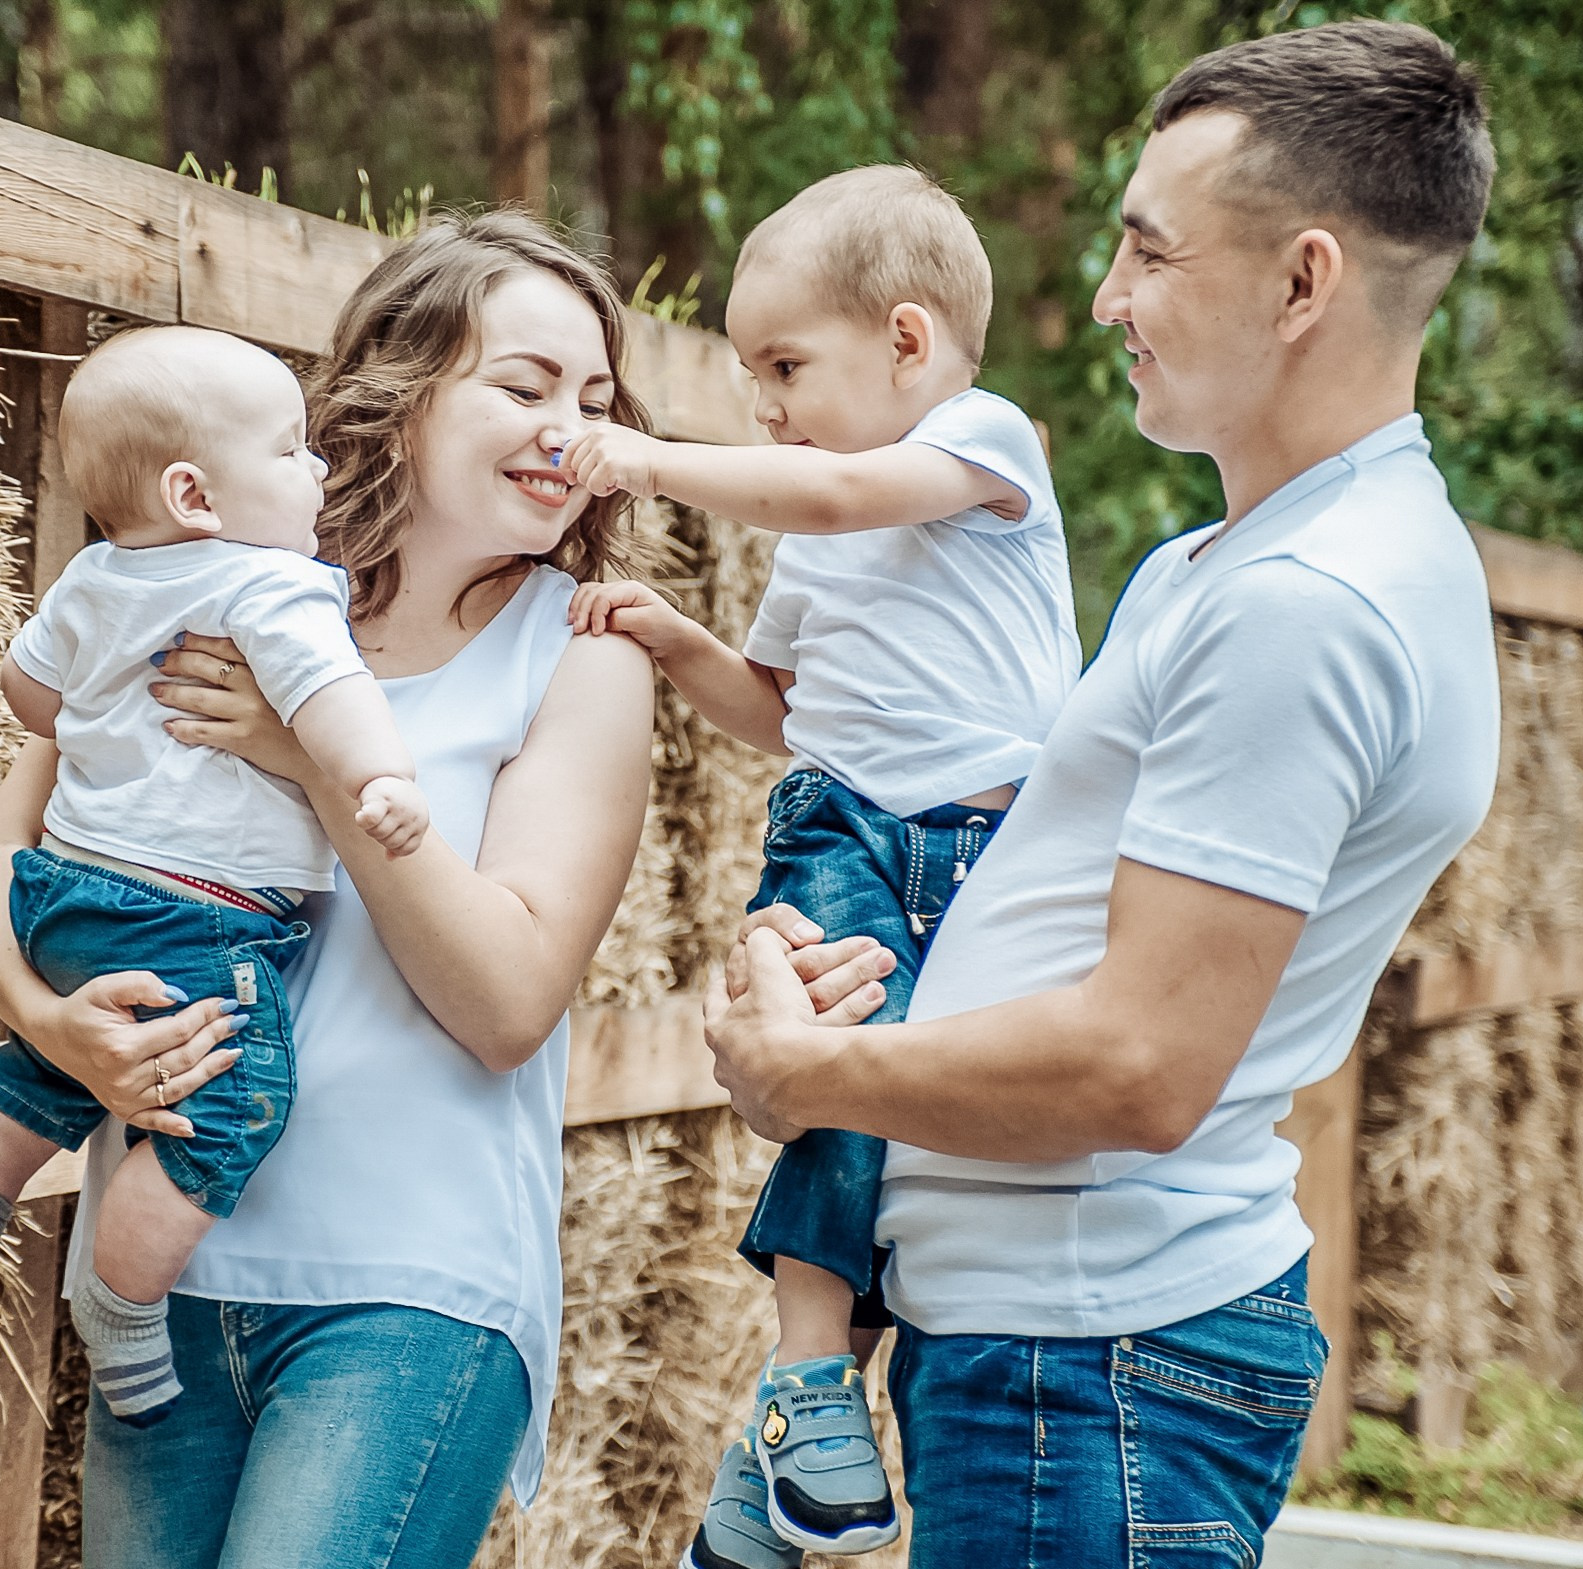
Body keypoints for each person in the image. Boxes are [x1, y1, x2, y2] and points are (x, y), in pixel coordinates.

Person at [701, 20, 1501, 1567]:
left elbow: (1140, 1062)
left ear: (1302, 283)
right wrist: (835, 969)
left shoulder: (1305, 606)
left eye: (1147, 251)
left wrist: (808, 1074)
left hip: (1085, 1369)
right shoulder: (1228, 566)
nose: (1103, 298)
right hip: (1053, 1352)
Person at [0, 212, 667, 1568]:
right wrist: (50, 1030)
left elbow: (508, 1001)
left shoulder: (578, 655)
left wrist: (309, 763)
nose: (568, 430)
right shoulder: (210, 581)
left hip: (405, 1295)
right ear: (400, 390)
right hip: (157, 1284)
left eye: (593, 399)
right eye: (524, 387)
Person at [557, 166, 1078, 1569]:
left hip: (993, 856)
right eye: (748, 376)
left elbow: (843, 491)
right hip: (841, 827)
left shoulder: (981, 441)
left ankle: (765, 1465)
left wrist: (646, 462)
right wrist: (678, 642)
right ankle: (807, 1377)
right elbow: (781, 713)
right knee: (839, 1084)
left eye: (784, 367)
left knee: (934, 1146)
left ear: (907, 341)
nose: (762, 405)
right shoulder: (812, 533)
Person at [0, 326, 431, 1429]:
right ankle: (120, 1303)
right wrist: (380, 776)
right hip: (195, 913)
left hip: (62, 896)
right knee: (230, 1103)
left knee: (61, 1062)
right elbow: (332, 696)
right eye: (291, 450)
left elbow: (28, 695)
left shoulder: (95, 575)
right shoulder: (272, 583)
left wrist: (110, 704)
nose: (317, 468)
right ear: (195, 494)